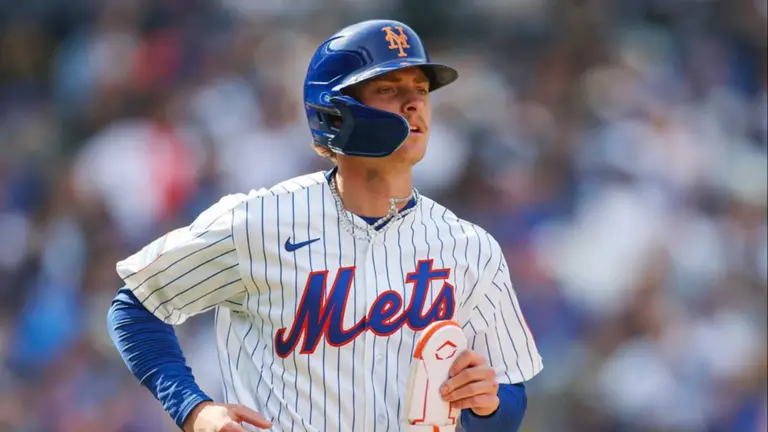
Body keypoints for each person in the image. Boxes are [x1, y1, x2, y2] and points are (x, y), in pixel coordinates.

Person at [107, 19, 542, 432]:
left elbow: (509, 395)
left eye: (421, 90)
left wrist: (487, 403)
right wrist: (193, 409)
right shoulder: (258, 223)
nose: (414, 104)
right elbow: (136, 305)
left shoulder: (470, 247)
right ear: (336, 113)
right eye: (389, 89)